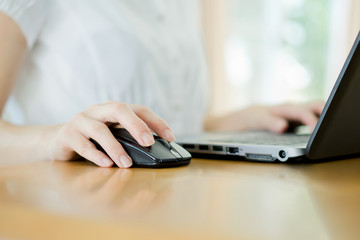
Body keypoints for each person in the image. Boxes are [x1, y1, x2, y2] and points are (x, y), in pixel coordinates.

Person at [0, 1, 323, 168]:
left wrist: (244, 122)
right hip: (75, 210)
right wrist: (52, 140)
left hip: (177, 202)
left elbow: (167, 132)